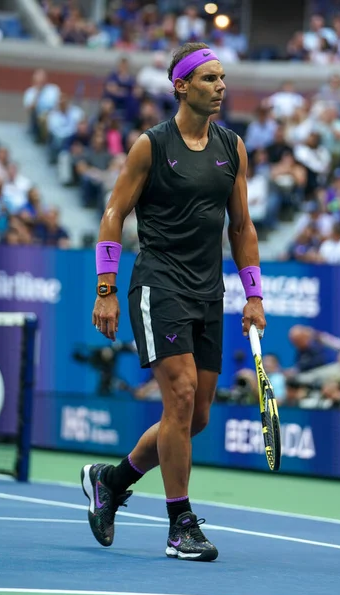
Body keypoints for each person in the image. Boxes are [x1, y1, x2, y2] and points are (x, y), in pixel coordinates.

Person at [81, 42, 266, 562]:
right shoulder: (151, 146)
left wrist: (254, 293)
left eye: (223, 78)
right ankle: (179, 523)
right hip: (157, 284)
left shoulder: (233, 146)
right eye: (209, 78)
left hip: (209, 290)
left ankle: (111, 481)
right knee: (180, 396)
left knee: (196, 416)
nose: (221, 86)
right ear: (181, 86)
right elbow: (114, 214)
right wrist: (106, 288)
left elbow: (242, 226)